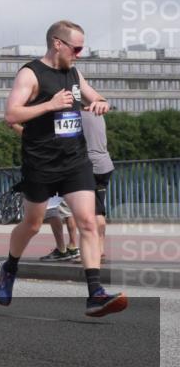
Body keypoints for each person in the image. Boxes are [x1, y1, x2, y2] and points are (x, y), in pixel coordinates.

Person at [0, 20, 126, 317]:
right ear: (58, 43)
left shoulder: (74, 73)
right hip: (40, 162)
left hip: (75, 161)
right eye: (76, 48)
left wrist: (102, 103)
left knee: (89, 222)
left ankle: (95, 293)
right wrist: (49, 105)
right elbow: (11, 114)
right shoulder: (31, 74)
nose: (79, 54)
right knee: (31, 224)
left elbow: (97, 96)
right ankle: (10, 266)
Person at [81, 109, 114, 262]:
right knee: (99, 209)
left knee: (85, 213)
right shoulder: (99, 114)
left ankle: (89, 252)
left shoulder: (78, 116)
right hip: (105, 165)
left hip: (89, 166)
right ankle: (100, 249)